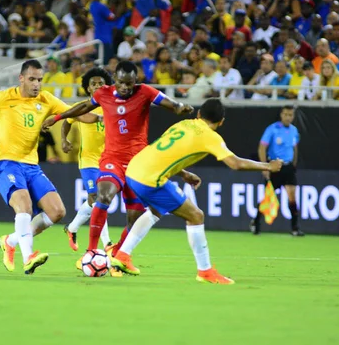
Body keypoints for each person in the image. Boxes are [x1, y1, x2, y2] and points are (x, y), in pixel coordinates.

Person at [110, 98, 282, 281]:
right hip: (150, 179)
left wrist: (183, 174)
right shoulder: (210, 136)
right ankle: (205, 271)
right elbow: (235, 163)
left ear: (199, 114)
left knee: (156, 209)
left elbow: (164, 152)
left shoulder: (184, 123)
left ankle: (122, 256)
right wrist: (268, 166)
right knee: (196, 215)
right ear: (221, 122)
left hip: (134, 169)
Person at [42, 61, 193, 268]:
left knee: (135, 215)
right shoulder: (104, 93)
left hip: (137, 164)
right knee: (103, 196)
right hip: (111, 159)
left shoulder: (144, 92)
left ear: (136, 82)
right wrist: (58, 117)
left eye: (129, 84)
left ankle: (118, 255)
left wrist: (178, 107)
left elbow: (167, 102)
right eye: (121, 83)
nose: (125, 88)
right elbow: (84, 106)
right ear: (115, 80)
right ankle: (91, 251)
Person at [0, 60, 100, 275]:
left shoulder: (47, 99)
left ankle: (11, 241)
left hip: (31, 165)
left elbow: (78, 114)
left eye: (40, 80)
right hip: (5, 163)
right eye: (32, 80)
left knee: (57, 212)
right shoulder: (4, 97)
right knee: (24, 207)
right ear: (22, 79)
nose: (37, 84)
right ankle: (28, 257)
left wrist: (105, 117)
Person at [61, 68, 112, 253]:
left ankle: (72, 228)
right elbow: (67, 120)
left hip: (107, 160)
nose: (98, 86)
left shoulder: (112, 106)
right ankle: (107, 243)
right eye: (93, 84)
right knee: (98, 199)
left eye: (101, 83)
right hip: (88, 160)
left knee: (97, 201)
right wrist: (63, 139)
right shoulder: (83, 106)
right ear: (88, 88)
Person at [251, 106, 304, 236]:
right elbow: (262, 147)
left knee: (292, 197)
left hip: (288, 167)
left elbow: (294, 148)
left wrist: (293, 164)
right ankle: (256, 222)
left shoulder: (294, 130)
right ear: (281, 115)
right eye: (285, 114)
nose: (288, 117)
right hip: (275, 166)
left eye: (290, 115)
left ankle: (295, 228)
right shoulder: (272, 129)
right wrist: (265, 167)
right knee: (268, 198)